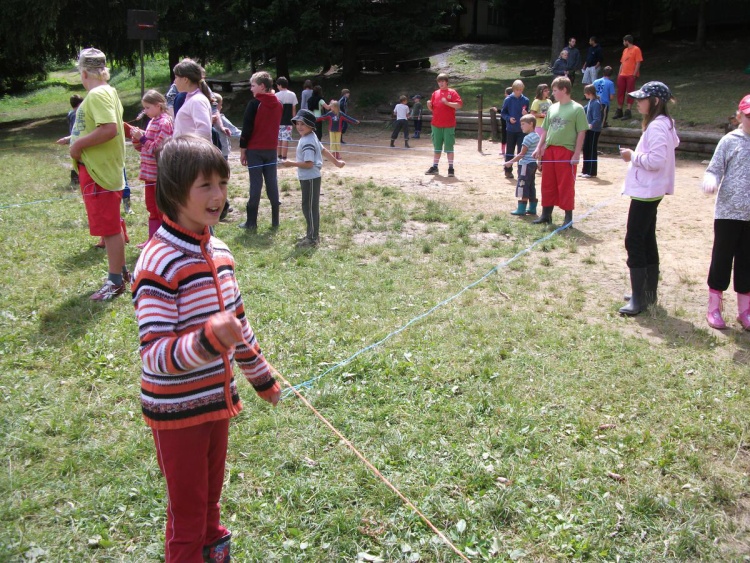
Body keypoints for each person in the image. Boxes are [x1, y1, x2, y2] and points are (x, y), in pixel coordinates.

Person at [131, 135, 281, 563]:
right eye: (205, 186)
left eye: (223, 183)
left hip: (216, 402)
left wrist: (261, 379)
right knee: (187, 512)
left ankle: (213, 548)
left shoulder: (220, 252)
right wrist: (207, 340)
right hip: (177, 412)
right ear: (175, 191)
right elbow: (154, 354)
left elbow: (239, 325)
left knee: (210, 497)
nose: (218, 195)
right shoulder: (158, 262)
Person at [65, 48, 129, 301]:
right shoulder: (107, 91)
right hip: (98, 170)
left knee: (109, 228)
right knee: (110, 225)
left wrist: (78, 146)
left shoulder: (98, 94)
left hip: (98, 172)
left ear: (83, 73)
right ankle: (121, 271)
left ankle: (114, 282)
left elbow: (109, 129)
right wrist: (74, 138)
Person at [618, 81, 679, 316]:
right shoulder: (664, 123)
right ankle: (647, 292)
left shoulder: (657, 127)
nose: (637, 102)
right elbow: (672, 144)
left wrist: (632, 156)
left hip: (647, 191)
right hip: (651, 190)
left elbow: (656, 161)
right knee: (646, 237)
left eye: (642, 99)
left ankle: (639, 299)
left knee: (634, 239)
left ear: (655, 101)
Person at [701, 94, 750, 330]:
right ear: (739, 116)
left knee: (747, 261)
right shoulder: (729, 141)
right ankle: (714, 307)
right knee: (721, 258)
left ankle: (745, 310)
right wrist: (711, 180)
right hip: (728, 213)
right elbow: (714, 169)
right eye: (749, 116)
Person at [281, 110, 345, 247]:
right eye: (297, 123)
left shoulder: (307, 141)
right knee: (310, 206)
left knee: (309, 208)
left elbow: (309, 164)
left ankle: (312, 239)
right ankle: (312, 234)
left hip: (309, 178)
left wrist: (291, 163)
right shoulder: (311, 136)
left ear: (310, 126)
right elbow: (323, 150)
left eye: (303, 124)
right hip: (311, 178)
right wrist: (337, 163)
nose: (299, 127)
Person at [531, 76, 588, 227]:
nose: (553, 93)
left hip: (566, 151)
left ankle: (568, 218)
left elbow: (582, 132)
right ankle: (546, 215)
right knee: (547, 183)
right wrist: (539, 147)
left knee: (565, 184)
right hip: (550, 150)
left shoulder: (577, 109)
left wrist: (577, 153)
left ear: (564, 90)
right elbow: (545, 129)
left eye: (555, 90)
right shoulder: (552, 108)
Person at [239, 71, 283, 230]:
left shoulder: (254, 104)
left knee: (255, 184)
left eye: (253, 85)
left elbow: (247, 128)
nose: (251, 89)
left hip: (255, 150)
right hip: (271, 149)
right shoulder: (278, 103)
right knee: (272, 182)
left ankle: (251, 222)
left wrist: (243, 149)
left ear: (262, 86)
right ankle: (275, 220)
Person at [130, 89, 174, 248]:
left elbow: (159, 148)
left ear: (158, 105)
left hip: (159, 173)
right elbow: (145, 146)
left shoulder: (164, 122)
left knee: (161, 207)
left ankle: (164, 241)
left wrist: (142, 138)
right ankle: (152, 239)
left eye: (148, 108)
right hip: (149, 174)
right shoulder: (153, 121)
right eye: (144, 108)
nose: (145, 111)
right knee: (151, 206)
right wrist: (137, 139)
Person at [425, 73, 463, 177]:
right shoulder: (435, 93)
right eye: (439, 82)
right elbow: (433, 109)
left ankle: (451, 168)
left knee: (449, 147)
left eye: (442, 81)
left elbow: (459, 105)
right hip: (436, 124)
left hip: (448, 124)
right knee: (437, 147)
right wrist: (429, 105)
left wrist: (447, 103)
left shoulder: (452, 92)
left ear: (446, 82)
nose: (441, 83)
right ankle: (435, 167)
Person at [504, 115, 540, 216]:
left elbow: (521, 154)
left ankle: (521, 209)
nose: (521, 127)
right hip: (533, 164)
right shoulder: (537, 136)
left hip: (525, 165)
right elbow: (539, 151)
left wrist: (510, 162)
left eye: (523, 124)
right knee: (531, 185)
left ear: (531, 124)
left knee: (523, 184)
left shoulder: (527, 138)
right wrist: (539, 162)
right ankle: (532, 208)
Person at [172, 59, 213, 141]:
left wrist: (188, 147)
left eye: (176, 77)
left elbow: (204, 132)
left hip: (193, 149)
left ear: (185, 79)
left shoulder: (197, 100)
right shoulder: (191, 99)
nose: (174, 82)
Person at [496, 80, 529, 179]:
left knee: (521, 151)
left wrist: (526, 114)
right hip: (511, 129)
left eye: (521, 90)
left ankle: (520, 171)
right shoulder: (508, 100)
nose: (519, 92)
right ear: (514, 90)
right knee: (510, 150)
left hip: (522, 130)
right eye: (517, 90)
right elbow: (503, 113)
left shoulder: (525, 100)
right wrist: (509, 118)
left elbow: (528, 113)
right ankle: (508, 170)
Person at [614, 35, 643, 120]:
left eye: (624, 41)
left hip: (630, 74)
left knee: (630, 92)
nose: (623, 43)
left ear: (627, 41)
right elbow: (622, 63)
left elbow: (638, 63)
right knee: (620, 92)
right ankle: (619, 110)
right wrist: (619, 74)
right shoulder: (625, 50)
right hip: (622, 74)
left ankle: (628, 111)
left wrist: (634, 74)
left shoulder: (636, 49)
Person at [580, 84, 602, 179]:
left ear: (589, 93)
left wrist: (591, 125)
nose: (584, 94)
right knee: (586, 149)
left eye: (585, 93)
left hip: (594, 130)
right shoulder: (590, 102)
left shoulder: (596, 103)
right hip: (588, 130)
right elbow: (582, 110)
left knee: (591, 150)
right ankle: (585, 170)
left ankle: (591, 172)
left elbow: (597, 118)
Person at [212, 94, 241, 161]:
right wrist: (246, 135)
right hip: (222, 151)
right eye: (221, 105)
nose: (221, 107)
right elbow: (234, 131)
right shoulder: (221, 118)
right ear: (216, 105)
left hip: (210, 150)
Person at [275, 77, 298, 161]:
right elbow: (294, 109)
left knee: (278, 139)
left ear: (280, 85)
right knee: (285, 139)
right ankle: (284, 158)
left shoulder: (276, 95)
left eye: (277, 85)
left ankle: (279, 157)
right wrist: (294, 120)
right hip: (288, 120)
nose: (277, 87)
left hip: (278, 120)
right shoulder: (292, 94)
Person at [63, 94, 83, 185]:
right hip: (77, 138)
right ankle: (75, 177)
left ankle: (76, 177)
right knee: (80, 158)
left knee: (77, 158)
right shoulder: (77, 114)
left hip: (73, 138)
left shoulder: (70, 113)